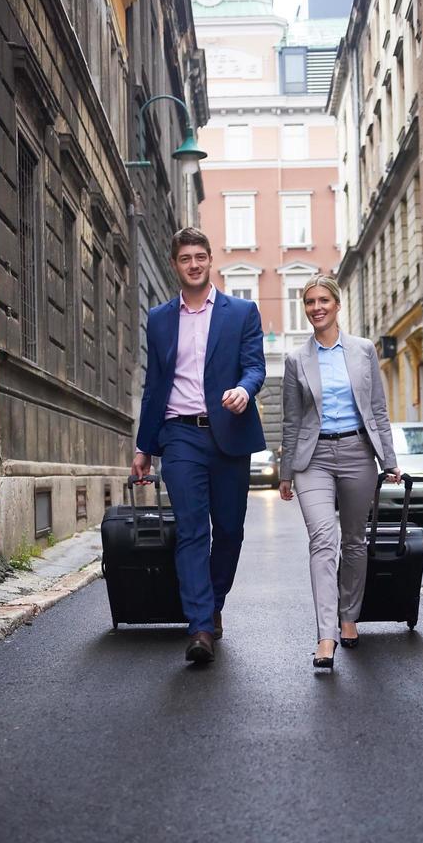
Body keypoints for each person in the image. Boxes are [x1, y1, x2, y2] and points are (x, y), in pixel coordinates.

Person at [131, 227, 266, 664]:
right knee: (192, 530)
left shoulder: (242, 312)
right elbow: (155, 385)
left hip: (229, 431)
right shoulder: (158, 319)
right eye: (185, 257)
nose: (194, 264)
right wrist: (144, 447)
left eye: (200, 256)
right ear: (175, 265)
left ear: (211, 261)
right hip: (180, 434)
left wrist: (244, 391)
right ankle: (200, 627)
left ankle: (213, 603)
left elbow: (254, 366)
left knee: (229, 530)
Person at [278, 274, 401, 669]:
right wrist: (285, 472)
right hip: (312, 459)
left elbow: (378, 410)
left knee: (353, 541)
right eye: (310, 302)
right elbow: (292, 421)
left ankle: (350, 616)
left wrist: (390, 461)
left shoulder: (364, 351)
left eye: (323, 301)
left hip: (356, 452)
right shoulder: (297, 359)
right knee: (322, 540)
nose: (316, 308)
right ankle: (326, 635)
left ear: (337, 304)